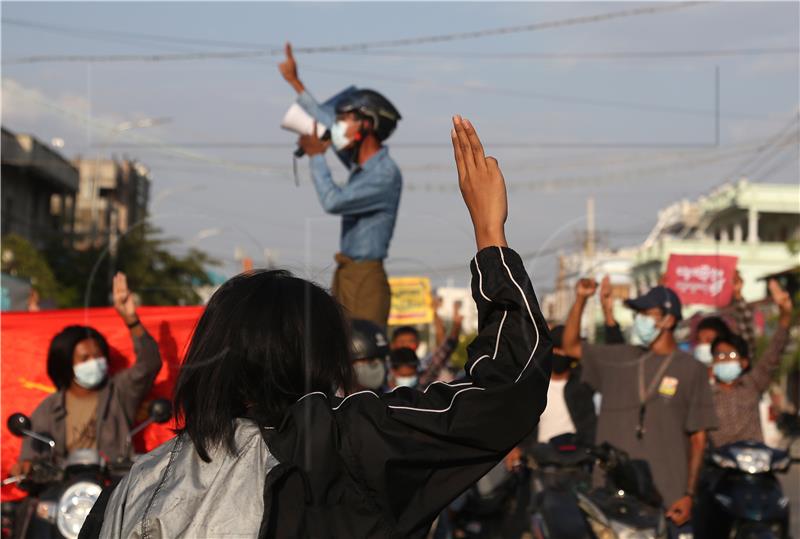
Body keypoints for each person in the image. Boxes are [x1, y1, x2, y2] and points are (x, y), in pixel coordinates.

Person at [86, 116, 552, 539]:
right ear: (317, 357)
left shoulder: (131, 488)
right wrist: (490, 235)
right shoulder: (336, 444)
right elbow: (508, 387)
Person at [561, 280, 718, 532]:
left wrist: (689, 493)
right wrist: (580, 299)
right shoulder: (619, 357)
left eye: (646, 314)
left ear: (668, 320)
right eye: (638, 314)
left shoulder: (692, 369)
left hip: (669, 499)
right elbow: (570, 346)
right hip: (611, 494)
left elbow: (698, 438)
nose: (639, 320)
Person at [279, 43, 402, 328]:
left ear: (368, 125)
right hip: (347, 270)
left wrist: (317, 156)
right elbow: (325, 124)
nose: (339, 125)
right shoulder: (363, 165)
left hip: (365, 277)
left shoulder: (384, 174)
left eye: (346, 118)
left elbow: (334, 201)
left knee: (364, 353)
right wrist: (295, 83)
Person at [11, 273, 162, 474]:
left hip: (111, 491)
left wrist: (131, 319)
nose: (94, 362)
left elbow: (150, 363)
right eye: (85, 359)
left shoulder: (120, 392)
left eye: (98, 356)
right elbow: (29, 458)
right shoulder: (48, 409)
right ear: (67, 364)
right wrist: (25, 468)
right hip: (64, 497)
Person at [708, 279, 793, 447]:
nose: (724, 359)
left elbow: (774, 350)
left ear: (744, 362)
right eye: (719, 355)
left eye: (730, 355)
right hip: (718, 464)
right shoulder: (705, 394)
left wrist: (785, 314)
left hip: (753, 461)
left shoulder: (752, 384)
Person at [534, 325, 597, 447]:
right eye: (556, 349)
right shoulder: (534, 386)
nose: (559, 354)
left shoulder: (584, 385)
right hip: (540, 458)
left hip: (577, 456)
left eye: (563, 350)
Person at [350, 319, 390, 391]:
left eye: (382, 359)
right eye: (370, 360)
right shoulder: (328, 400)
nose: (378, 365)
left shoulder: (391, 398)